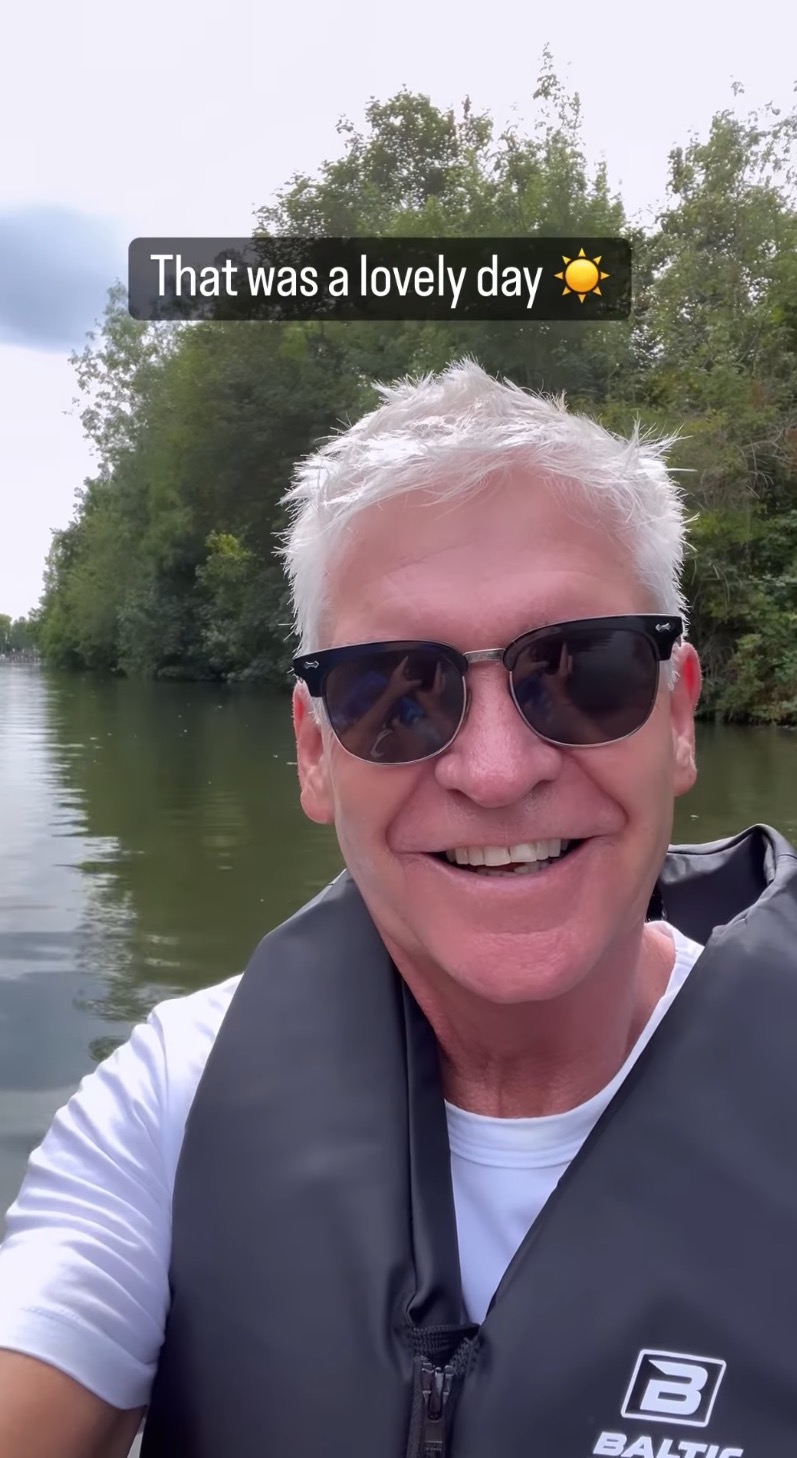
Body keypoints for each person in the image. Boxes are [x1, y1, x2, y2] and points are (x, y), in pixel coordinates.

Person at [1, 359, 796, 1458]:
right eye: (393, 690)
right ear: (314, 751)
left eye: (583, 670)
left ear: (674, 718)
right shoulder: (173, 1105)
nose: (494, 769)